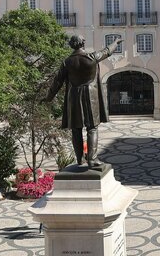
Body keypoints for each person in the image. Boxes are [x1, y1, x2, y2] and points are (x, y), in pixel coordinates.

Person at [44, 35, 120, 167]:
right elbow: (107, 51)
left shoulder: (67, 62)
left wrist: (48, 97)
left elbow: (57, 82)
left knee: (76, 129)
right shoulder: (92, 57)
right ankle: (92, 159)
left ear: (71, 45)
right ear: (83, 43)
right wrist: (116, 42)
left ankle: (80, 159)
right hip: (91, 96)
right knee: (92, 128)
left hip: (73, 97)